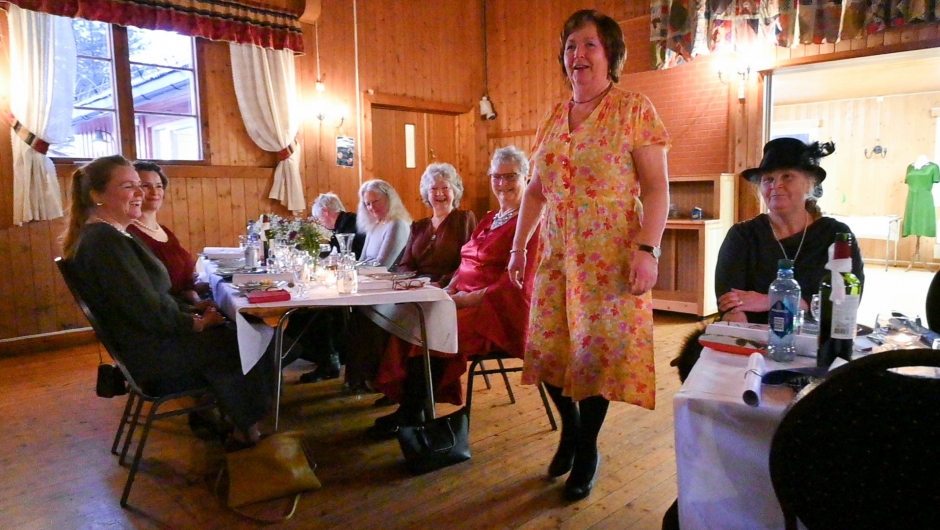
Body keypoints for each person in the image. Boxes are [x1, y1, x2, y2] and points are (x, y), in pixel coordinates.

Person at [507, 9, 671, 502]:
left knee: (596, 356)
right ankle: (571, 432)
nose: (578, 55)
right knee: (552, 350)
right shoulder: (554, 118)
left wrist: (647, 249)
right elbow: (535, 192)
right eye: (571, 46)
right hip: (558, 253)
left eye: (590, 45)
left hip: (610, 252)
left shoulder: (633, 108)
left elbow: (658, 188)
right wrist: (518, 246)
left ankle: (587, 448)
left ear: (611, 55)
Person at [62, 155, 271, 449]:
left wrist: (194, 309)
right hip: (152, 357)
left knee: (242, 329)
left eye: (139, 185)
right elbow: (146, 310)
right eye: (128, 186)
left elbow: (151, 299)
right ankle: (247, 432)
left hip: (147, 343)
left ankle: (234, 416)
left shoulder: (109, 235)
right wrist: (196, 323)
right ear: (97, 196)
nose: (139, 193)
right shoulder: (104, 242)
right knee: (247, 337)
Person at [367, 146, 540, 437]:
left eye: (510, 176)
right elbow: (466, 262)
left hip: (499, 309)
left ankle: (411, 414)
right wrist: (447, 289)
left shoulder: (529, 224)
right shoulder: (488, 219)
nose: (502, 183)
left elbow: (519, 282)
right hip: (463, 299)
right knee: (412, 320)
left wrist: (464, 299)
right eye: (496, 176)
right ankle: (414, 406)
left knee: (435, 330)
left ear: (527, 177)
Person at [715, 137, 865, 324]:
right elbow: (730, 304)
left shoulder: (837, 236)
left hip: (819, 340)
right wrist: (748, 344)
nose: (776, 185)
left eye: (787, 176)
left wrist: (770, 301)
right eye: (768, 179)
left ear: (810, 184)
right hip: (754, 339)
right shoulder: (742, 236)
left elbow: (845, 301)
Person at [126, 161, 213, 309]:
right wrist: (195, 309)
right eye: (145, 186)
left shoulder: (165, 232)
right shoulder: (131, 235)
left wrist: (199, 295)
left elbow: (183, 284)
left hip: (188, 305)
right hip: (172, 315)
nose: (154, 192)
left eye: (159, 186)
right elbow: (149, 295)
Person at [396, 162, 477, 286]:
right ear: (426, 194)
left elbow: (468, 262)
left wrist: (441, 283)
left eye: (445, 188)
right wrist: (412, 282)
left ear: (454, 192)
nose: (439, 193)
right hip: (416, 288)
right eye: (433, 188)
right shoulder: (419, 226)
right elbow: (405, 264)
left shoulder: (464, 219)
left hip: (448, 288)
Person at [357, 179, 412, 267]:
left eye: (375, 201)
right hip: (368, 277)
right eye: (368, 204)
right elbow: (362, 260)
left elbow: (383, 266)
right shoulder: (374, 225)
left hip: (387, 279)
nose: (372, 207)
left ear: (389, 199)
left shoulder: (397, 224)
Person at [312, 192, 365, 259]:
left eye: (318, 218)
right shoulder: (345, 221)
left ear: (325, 211)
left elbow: (350, 255)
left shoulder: (349, 224)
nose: (320, 223)